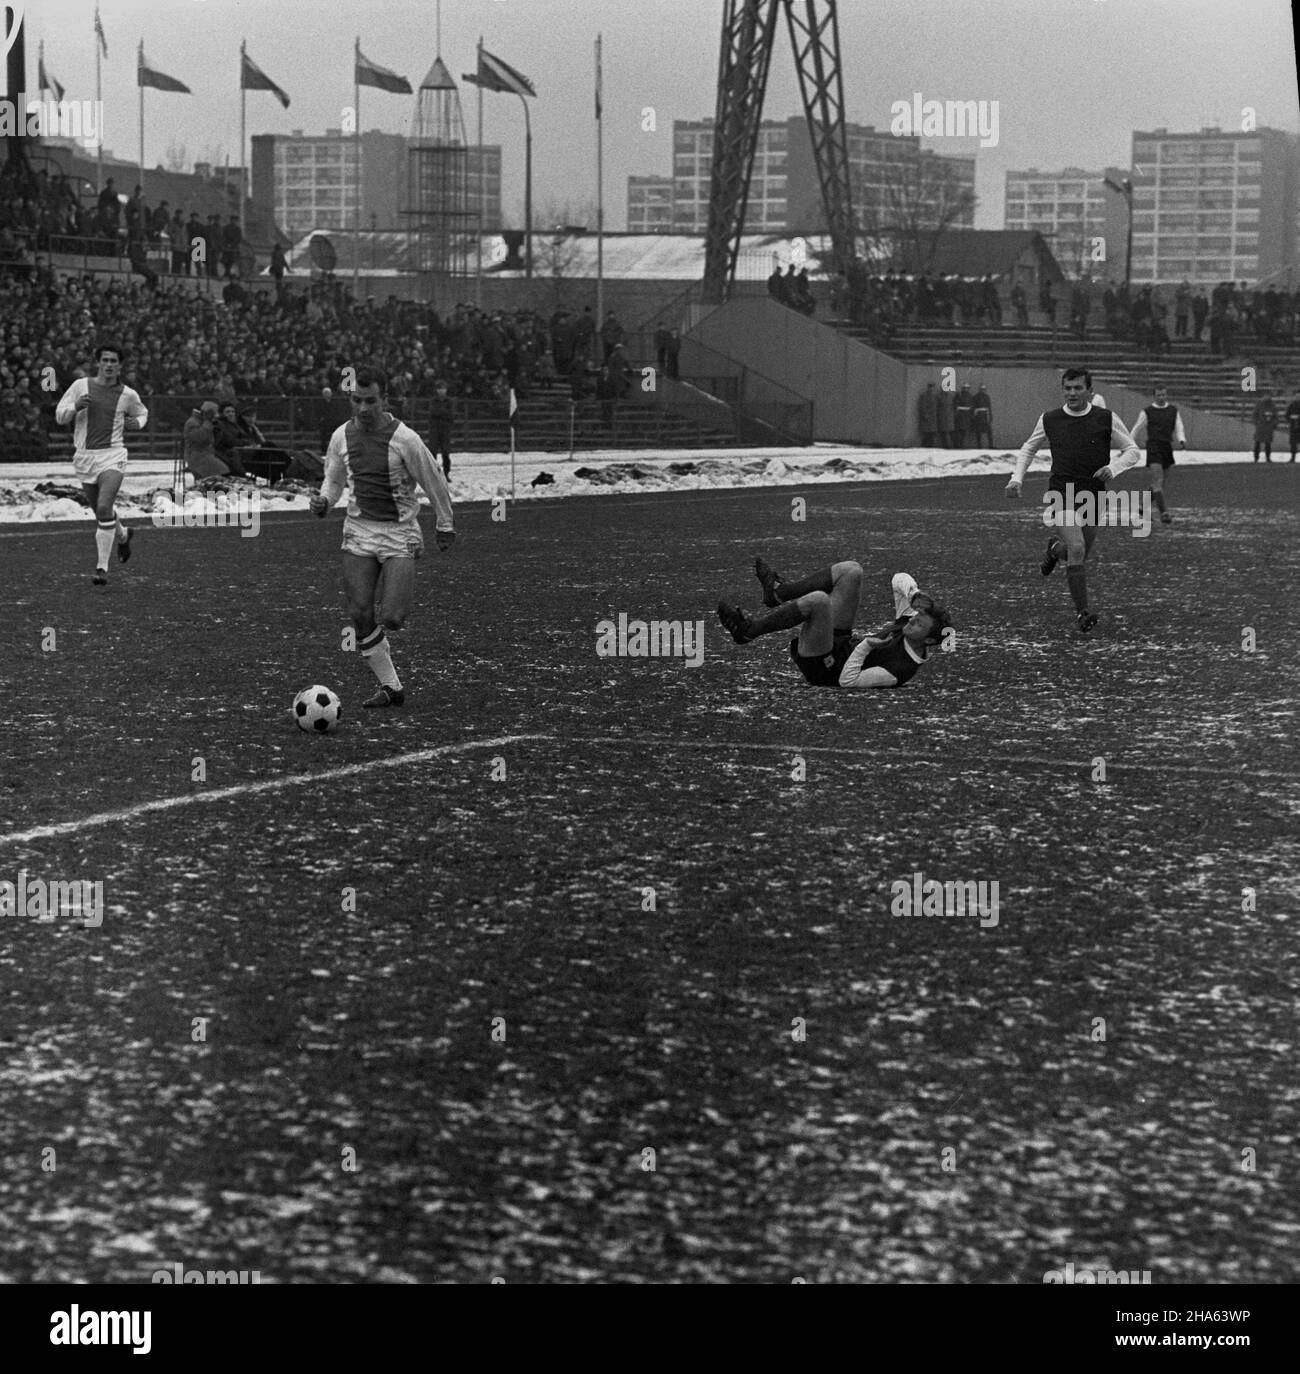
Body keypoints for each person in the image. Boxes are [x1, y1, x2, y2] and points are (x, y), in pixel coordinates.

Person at [309, 366, 455, 709]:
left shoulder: (406, 439)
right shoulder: (340, 436)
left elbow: (434, 479)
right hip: (359, 530)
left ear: (384, 399)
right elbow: (334, 478)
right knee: (359, 612)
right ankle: (391, 686)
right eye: (357, 400)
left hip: (399, 532)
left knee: (392, 618)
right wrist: (325, 501)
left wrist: (445, 524)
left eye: (370, 400)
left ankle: (386, 657)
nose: (363, 408)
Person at [1005, 366, 1142, 634]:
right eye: (1068, 388)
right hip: (1061, 493)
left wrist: (1113, 469)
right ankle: (1083, 612)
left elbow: (1133, 451)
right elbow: (1028, 448)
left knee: (1076, 554)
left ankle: (1054, 550)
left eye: (1078, 388)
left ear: (1090, 391)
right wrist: (1016, 479)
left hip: (1092, 494)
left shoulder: (1106, 418)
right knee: (1077, 548)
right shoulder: (1050, 419)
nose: (1072, 393)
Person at [717, 557, 951, 690]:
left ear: (928, 640)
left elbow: (846, 681)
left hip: (824, 668)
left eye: (918, 624)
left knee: (818, 602)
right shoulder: (911, 625)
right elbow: (898, 578)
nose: (911, 623)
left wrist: (867, 646)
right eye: (916, 617)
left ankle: (748, 631)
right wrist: (913, 594)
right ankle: (779, 592)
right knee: (851, 571)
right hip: (841, 645)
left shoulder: (899, 670)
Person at [54, 345, 149, 585]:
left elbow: (142, 414)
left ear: (120, 365)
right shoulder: (80, 386)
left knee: (105, 507)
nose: (108, 364)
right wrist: (75, 407)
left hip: (113, 455)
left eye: (113, 361)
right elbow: (59, 415)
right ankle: (123, 535)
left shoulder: (128, 394)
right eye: (105, 360)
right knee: (100, 512)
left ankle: (101, 569)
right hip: (85, 457)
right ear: (97, 363)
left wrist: (136, 424)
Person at [1130, 384, 1187, 525]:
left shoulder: (1173, 410)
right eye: (1158, 395)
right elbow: (1137, 428)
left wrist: (1181, 439)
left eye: (1163, 395)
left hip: (1166, 447)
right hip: (1153, 446)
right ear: (1154, 396)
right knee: (1158, 479)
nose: (1161, 397)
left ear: (1166, 395)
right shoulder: (1147, 412)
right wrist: (1129, 443)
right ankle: (1164, 513)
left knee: (1160, 483)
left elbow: (1179, 426)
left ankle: (1142, 506)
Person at [428, 378, 454, 478]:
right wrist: (442, 413)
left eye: (443, 388)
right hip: (435, 429)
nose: (441, 391)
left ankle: (446, 473)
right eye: (439, 388)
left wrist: (440, 413)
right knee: (433, 451)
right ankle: (434, 473)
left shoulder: (449, 401)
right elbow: (433, 412)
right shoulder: (433, 401)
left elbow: (450, 414)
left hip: (445, 429)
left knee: (445, 452)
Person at [1252, 392, 1278, 462]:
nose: (1267, 397)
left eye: (1268, 396)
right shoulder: (1259, 404)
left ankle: (1268, 457)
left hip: (1269, 427)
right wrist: (1257, 422)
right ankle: (1256, 458)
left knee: (1268, 444)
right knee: (1257, 442)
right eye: (1266, 396)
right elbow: (1254, 414)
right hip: (1260, 427)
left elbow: (1275, 416)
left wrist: (1274, 424)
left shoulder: (1272, 405)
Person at [971, 382, 993, 449]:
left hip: (985, 416)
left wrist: (990, 416)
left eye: (984, 389)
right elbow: (973, 407)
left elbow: (989, 407)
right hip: (978, 416)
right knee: (978, 432)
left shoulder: (987, 397)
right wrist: (973, 417)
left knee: (989, 431)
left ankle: (991, 445)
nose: (983, 390)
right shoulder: (975, 397)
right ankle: (979, 445)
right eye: (982, 389)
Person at [917, 381, 938, 446]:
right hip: (928, 418)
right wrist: (925, 415)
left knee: (931, 433)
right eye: (930, 387)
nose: (932, 389)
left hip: (933, 418)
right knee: (927, 433)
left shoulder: (934, 396)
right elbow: (923, 406)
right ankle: (925, 445)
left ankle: (929, 445)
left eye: (932, 387)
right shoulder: (925, 396)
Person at [1284, 389, 1300, 463]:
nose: (1298, 397)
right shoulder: (1292, 405)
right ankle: (1292, 458)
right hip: (1294, 427)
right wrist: (1291, 418)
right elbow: (1286, 415)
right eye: (1297, 396)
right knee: (1293, 443)